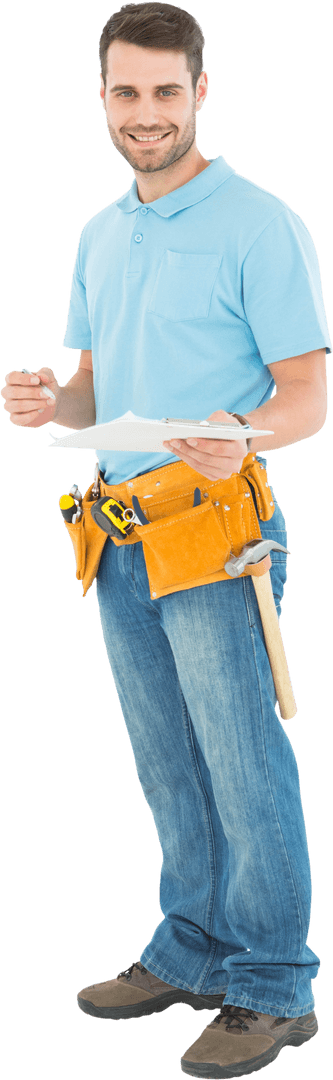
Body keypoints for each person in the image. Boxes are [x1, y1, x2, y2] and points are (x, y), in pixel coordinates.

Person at [1, 4, 331, 1077]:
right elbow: (94, 387)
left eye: (164, 91)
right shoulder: (100, 233)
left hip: (217, 527)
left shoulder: (261, 224)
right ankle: (190, 948)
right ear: (101, 97)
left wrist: (244, 431)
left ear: (200, 93)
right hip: (117, 530)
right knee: (166, 762)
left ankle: (273, 984)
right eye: (125, 92)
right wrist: (48, 402)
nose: (145, 113)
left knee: (243, 763)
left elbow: (306, 394)